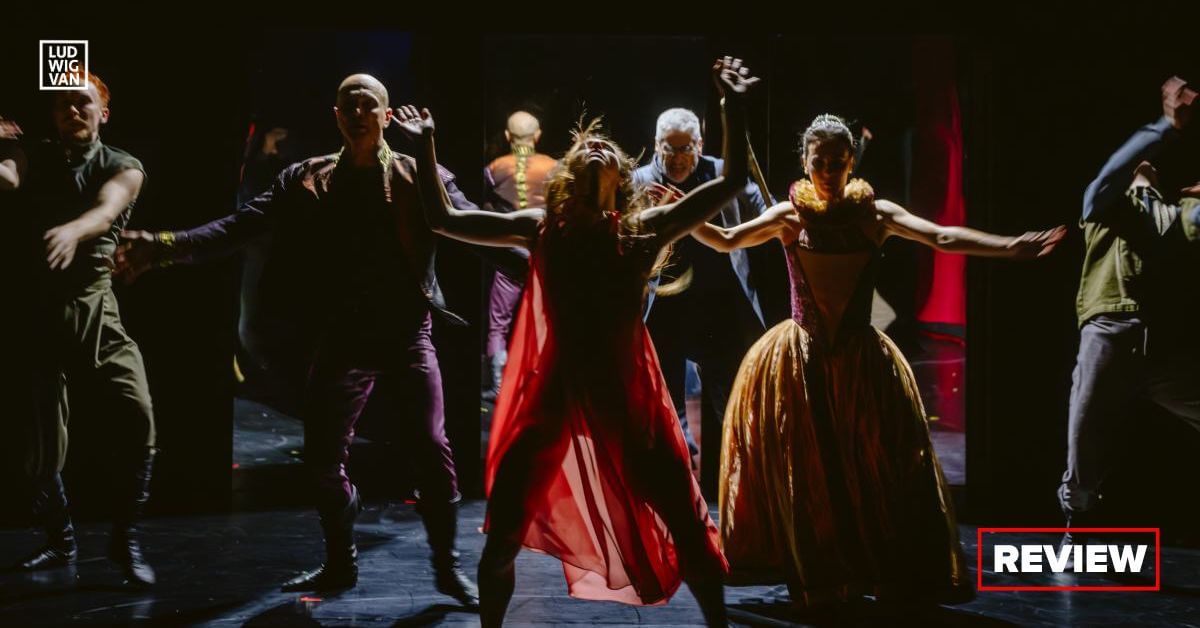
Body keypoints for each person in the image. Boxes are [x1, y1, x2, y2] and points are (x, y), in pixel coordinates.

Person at [393, 56, 761, 627]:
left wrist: (731, 106)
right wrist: (425, 146)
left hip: (625, 396)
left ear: (620, 179)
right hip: (554, 394)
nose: (595, 150)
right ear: (568, 173)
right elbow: (441, 218)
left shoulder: (643, 230)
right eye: (585, 148)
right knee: (504, 534)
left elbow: (733, 181)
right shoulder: (540, 226)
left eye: (607, 152)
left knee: (687, 524)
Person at [114, 74, 478, 605]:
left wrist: (537, 249)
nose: (357, 112)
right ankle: (339, 563)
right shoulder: (307, 179)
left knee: (430, 446)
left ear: (387, 114)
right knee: (322, 458)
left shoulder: (415, 174)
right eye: (348, 104)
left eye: (367, 103)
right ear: (336, 116)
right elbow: (240, 226)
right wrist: (166, 245)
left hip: (405, 335)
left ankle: (446, 569)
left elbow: (472, 223)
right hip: (342, 337)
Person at [693, 113, 1064, 607]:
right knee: (807, 469)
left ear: (852, 162)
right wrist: (685, 218)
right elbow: (727, 240)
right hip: (801, 357)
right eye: (819, 161)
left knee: (873, 463)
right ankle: (817, 570)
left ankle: (874, 566)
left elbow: (942, 237)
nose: (827, 170)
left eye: (837, 161)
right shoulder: (789, 216)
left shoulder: (876, 215)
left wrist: (1008, 248)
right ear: (804, 162)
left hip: (860, 359)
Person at [1, 73, 157, 587]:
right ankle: (59, 539)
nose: (73, 111)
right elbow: (8, 178)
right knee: (41, 445)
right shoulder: (33, 153)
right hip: (37, 314)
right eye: (63, 104)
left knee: (137, 413)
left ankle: (125, 541)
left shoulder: (122, 164)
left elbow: (109, 207)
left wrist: (73, 228)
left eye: (83, 104)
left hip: (95, 309)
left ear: (103, 113)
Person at [1057, 76, 1200, 547]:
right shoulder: (1104, 207)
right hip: (1109, 333)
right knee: (1083, 436)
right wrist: (1165, 127)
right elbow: (1108, 176)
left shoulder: (1177, 212)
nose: (1142, 166)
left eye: (1149, 165)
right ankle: (1077, 522)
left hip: (1163, 346)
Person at [633, 106, 773, 485]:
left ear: (699, 144)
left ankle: (742, 497)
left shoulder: (723, 175)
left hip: (720, 310)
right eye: (669, 148)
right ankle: (678, 498)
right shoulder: (637, 182)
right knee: (666, 417)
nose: (677, 158)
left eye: (686, 148)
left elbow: (767, 214)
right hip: (662, 312)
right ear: (655, 145)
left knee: (734, 410)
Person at [480, 111, 557, 399]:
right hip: (544, 252)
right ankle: (541, 383)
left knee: (499, 320)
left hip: (509, 252)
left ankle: (499, 386)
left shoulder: (496, 167)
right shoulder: (554, 167)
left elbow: (480, 206)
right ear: (537, 137)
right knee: (547, 316)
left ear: (508, 137)